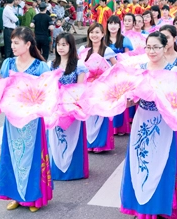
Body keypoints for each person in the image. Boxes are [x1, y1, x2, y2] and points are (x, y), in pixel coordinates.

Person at [120, 32, 177, 219]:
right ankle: (141, 207)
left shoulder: (174, 72)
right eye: (148, 47)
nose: (152, 51)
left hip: (164, 124)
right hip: (141, 120)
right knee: (141, 162)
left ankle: (160, 206)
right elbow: (133, 98)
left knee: (162, 163)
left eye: (156, 47)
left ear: (165, 47)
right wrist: (123, 101)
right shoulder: (139, 69)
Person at [0, 27, 52, 213]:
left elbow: (48, 92)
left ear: (28, 44)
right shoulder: (8, 64)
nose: (13, 46)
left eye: (16, 43)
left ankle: (34, 198)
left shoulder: (41, 67)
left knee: (33, 157)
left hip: (33, 120)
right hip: (12, 119)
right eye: (12, 42)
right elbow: (1, 90)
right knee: (13, 156)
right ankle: (16, 196)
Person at [48, 32, 89, 180]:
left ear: (71, 46)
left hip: (72, 109)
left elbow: (80, 88)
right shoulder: (51, 65)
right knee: (55, 138)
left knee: (72, 137)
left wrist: (71, 105)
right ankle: (55, 170)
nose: (60, 47)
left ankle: (74, 171)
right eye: (58, 44)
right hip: (55, 108)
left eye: (64, 44)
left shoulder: (79, 65)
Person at [78, 23, 117, 152]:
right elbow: (78, 66)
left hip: (102, 88)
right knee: (88, 115)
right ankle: (88, 143)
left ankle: (100, 144)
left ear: (102, 34)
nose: (94, 35)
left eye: (97, 32)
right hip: (87, 87)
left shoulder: (107, 50)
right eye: (92, 32)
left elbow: (116, 68)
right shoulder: (83, 49)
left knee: (100, 114)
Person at [106, 15, 133, 135]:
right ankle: (109, 127)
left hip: (120, 71)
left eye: (115, 23)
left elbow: (129, 57)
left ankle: (120, 127)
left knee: (120, 97)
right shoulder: (103, 39)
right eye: (110, 23)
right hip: (105, 73)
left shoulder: (125, 40)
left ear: (119, 25)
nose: (112, 26)